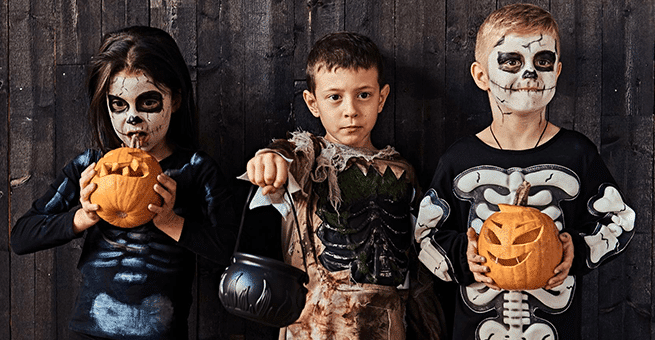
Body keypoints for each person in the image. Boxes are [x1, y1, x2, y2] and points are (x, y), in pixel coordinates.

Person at [414, 4, 636, 340]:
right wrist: (463, 255)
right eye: (512, 62)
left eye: (543, 61)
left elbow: (621, 220)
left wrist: (578, 248)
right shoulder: (459, 159)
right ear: (481, 76)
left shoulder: (577, 153)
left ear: (557, 71)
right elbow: (424, 234)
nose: (530, 74)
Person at [10, 26, 237, 340]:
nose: (133, 119)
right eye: (119, 104)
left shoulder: (195, 169)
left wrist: (171, 221)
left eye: (147, 103)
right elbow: (22, 237)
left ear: (175, 100)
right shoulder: (90, 167)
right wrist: (84, 215)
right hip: (91, 331)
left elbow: (233, 249)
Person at [244, 32, 443, 340]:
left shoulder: (401, 171)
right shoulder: (306, 159)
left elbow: (419, 264)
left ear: (382, 97)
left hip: (387, 324)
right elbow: (281, 160)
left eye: (363, 94)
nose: (350, 110)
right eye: (334, 97)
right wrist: (268, 158)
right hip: (314, 325)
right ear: (312, 102)